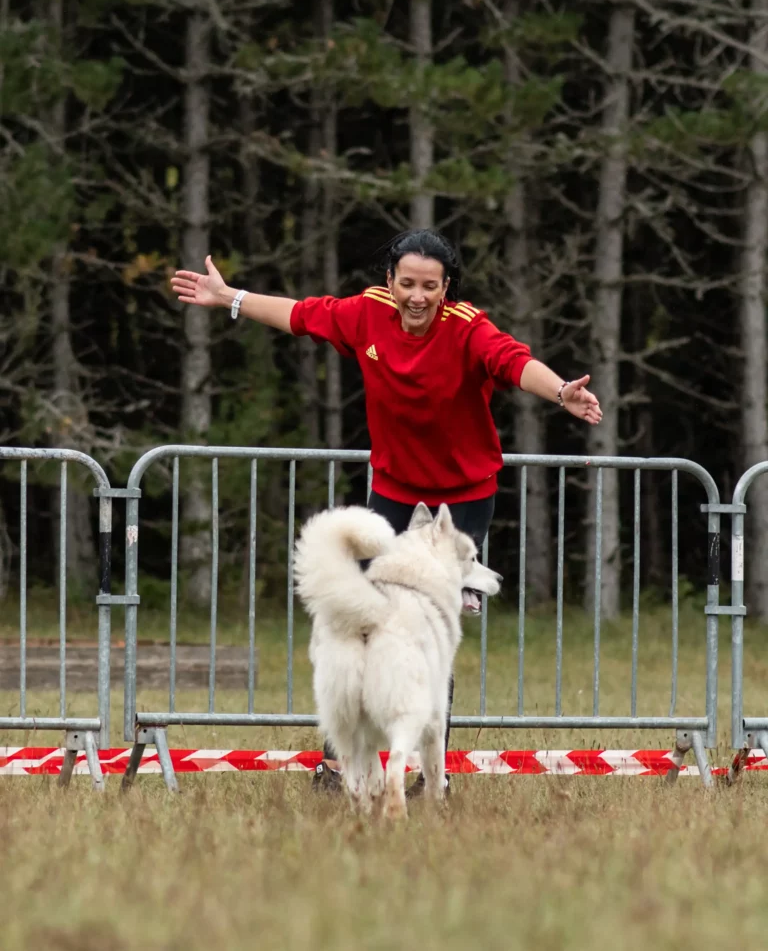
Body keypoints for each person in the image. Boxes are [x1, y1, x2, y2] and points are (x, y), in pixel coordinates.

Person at [170, 229, 602, 794]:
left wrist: (561, 389)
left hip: (462, 497)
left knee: (426, 631)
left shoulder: (469, 327)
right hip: (395, 492)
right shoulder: (367, 315)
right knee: (363, 623)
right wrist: (229, 298)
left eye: (430, 286)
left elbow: (512, 361)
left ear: (446, 289)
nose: (417, 297)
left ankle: (430, 770)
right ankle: (340, 760)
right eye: (407, 284)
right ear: (390, 282)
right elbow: (300, 315)